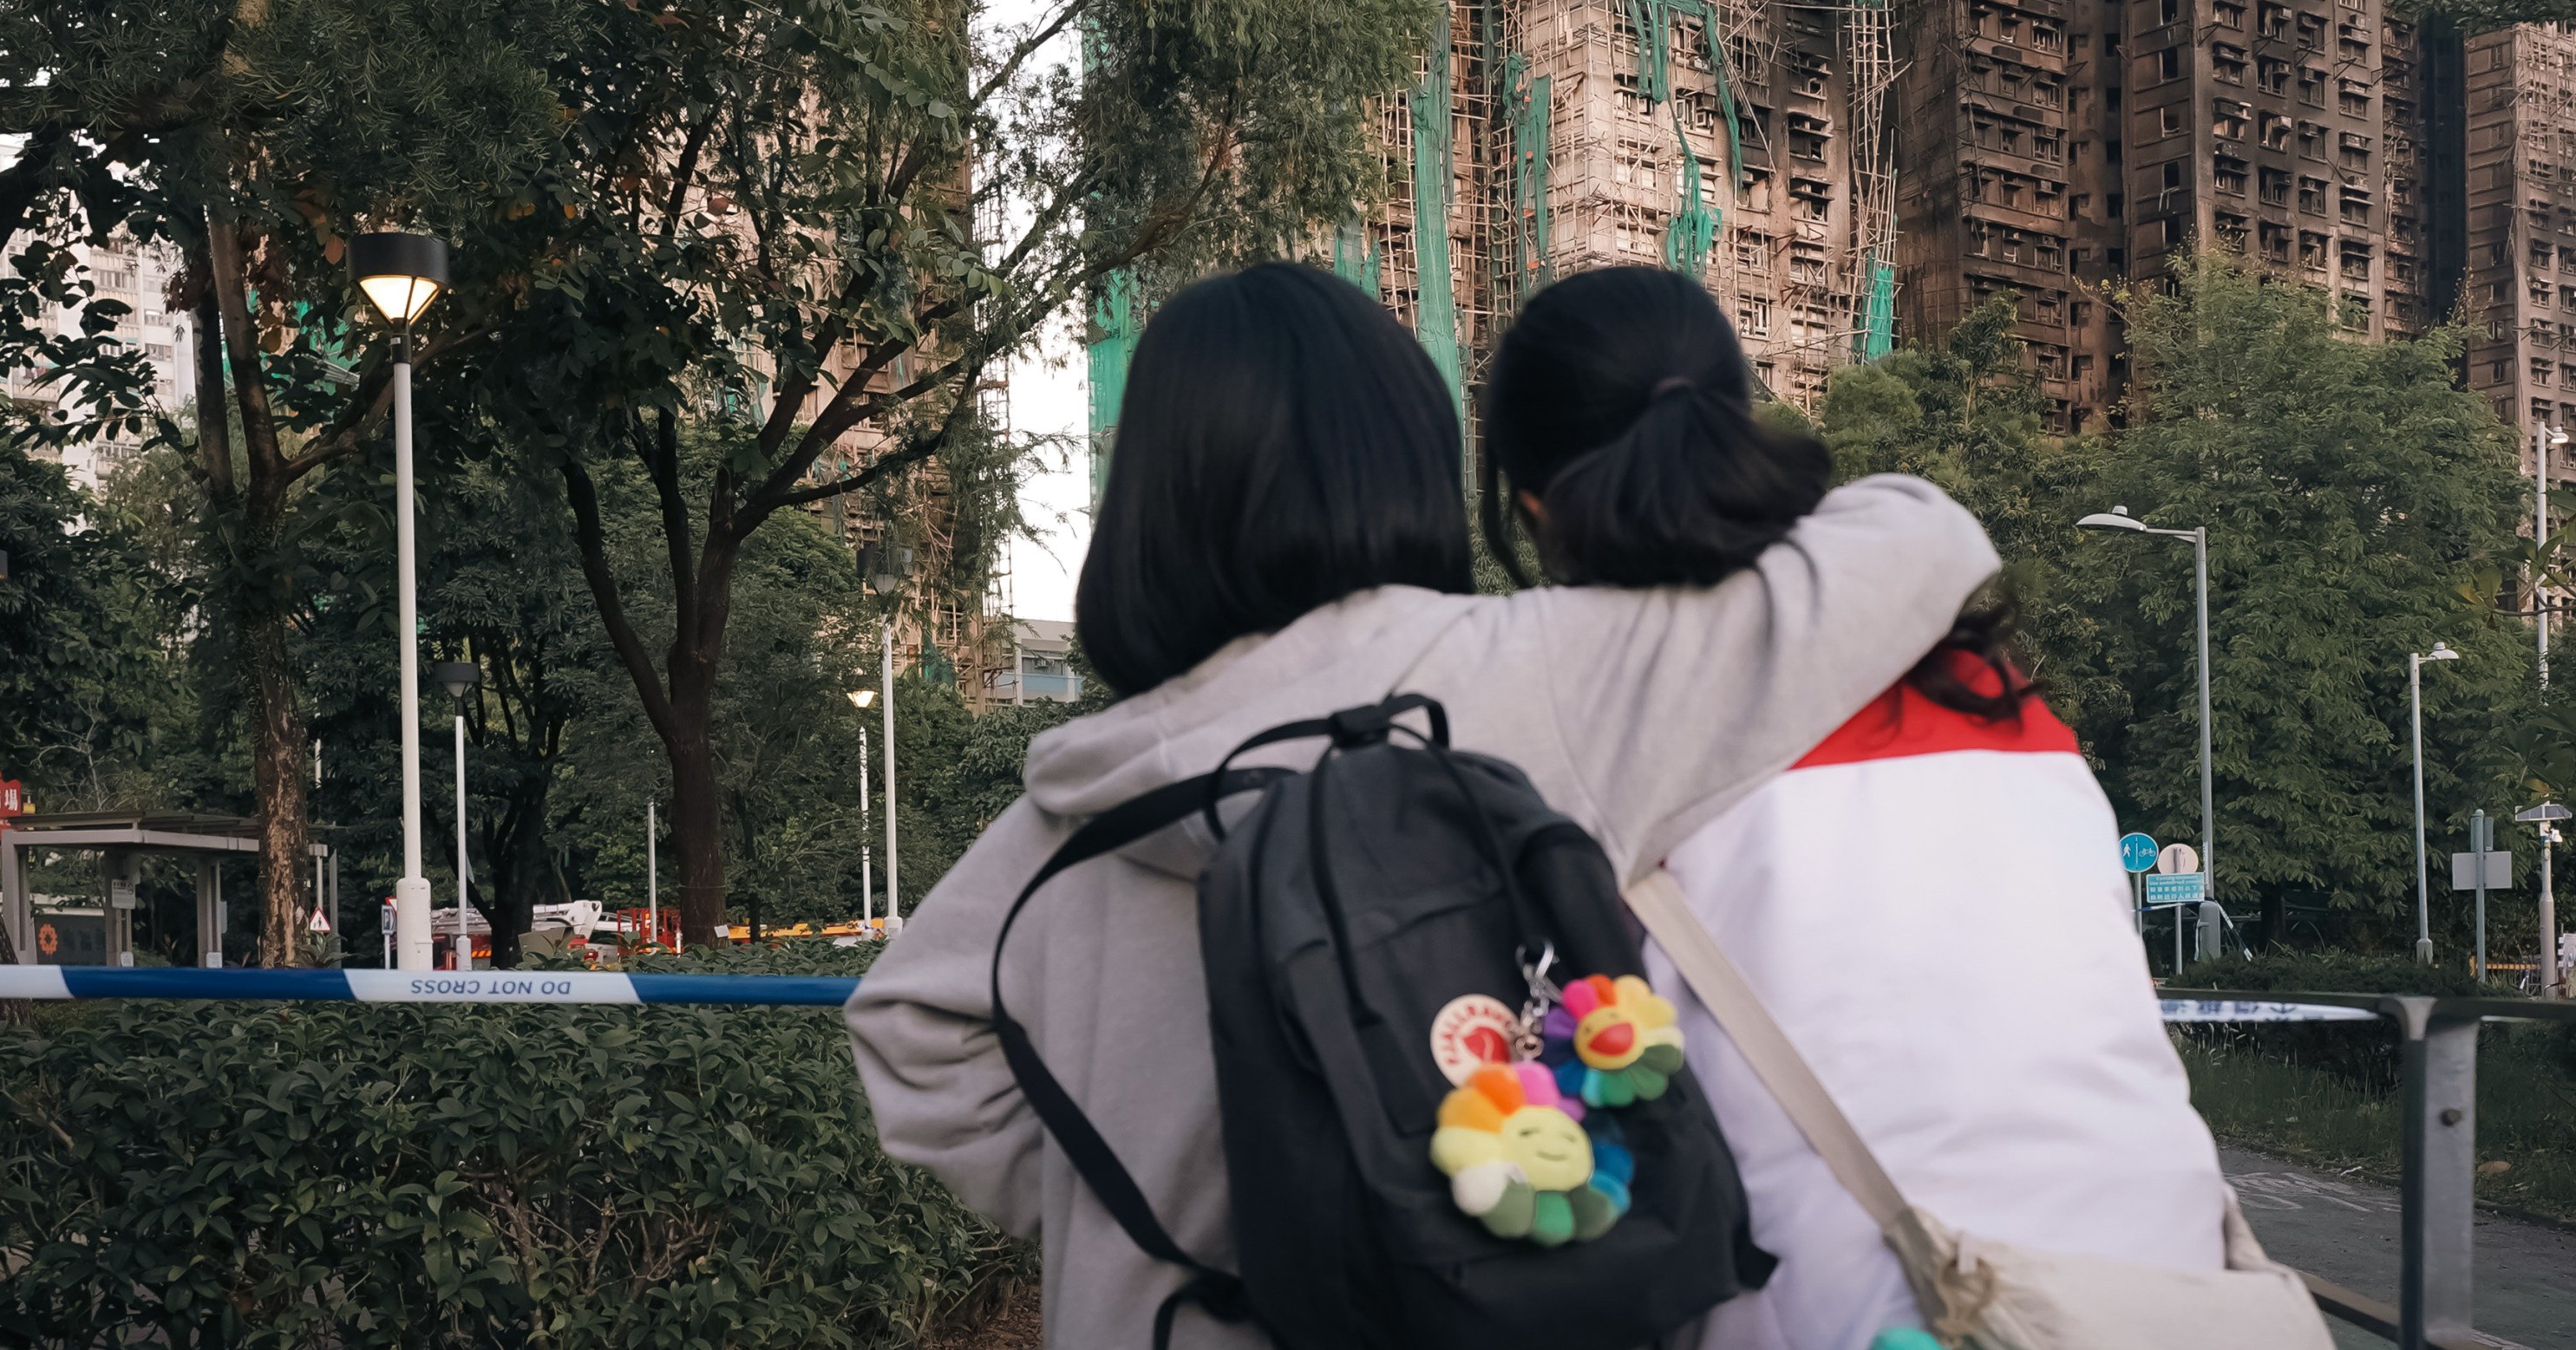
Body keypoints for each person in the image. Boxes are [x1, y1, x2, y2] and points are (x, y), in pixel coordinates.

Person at [847, 262, 1998, 1350]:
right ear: (1407, 456)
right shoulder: (1539, 672)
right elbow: (1922, 541)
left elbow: (910, 1027)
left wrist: (1114, 1206)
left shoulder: (1080, 788)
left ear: (1147, 497)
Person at [1481, 264, 2233, 1350]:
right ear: (1731, 423)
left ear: (1535, 500)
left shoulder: (1588, 708)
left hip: (1882, 1316)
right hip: (2170, 1295)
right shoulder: (1985, 681)